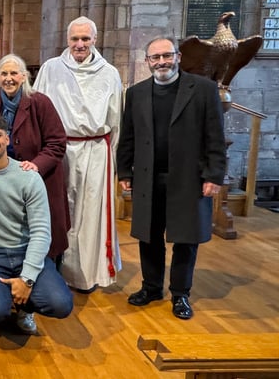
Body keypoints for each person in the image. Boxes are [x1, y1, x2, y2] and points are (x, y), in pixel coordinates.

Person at [117, 36, 226, 320]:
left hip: (189, 178)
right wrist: (124, 170)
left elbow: (215, 136)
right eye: (156, 57)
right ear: (147, 62)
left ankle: (180, 294)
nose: (162, 62)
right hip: (148, 177)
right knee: (149, 236)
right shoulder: (137, 93)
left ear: (177, 56)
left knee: (185, 239)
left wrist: (214, 174)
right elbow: (127, 136)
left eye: (167, 56)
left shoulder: (202, 89)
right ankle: (151, 287)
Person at [0, 113, 73, 336]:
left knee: (60, 304)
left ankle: (23, 306)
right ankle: (1, 297)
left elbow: (41, 232)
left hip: (25, 250)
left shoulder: (28, 177)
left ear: (7, 139)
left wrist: (27, 278)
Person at [33, 16, 123, 292]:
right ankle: (54, 271)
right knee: (59, 210)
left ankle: (85, 275)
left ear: (95, 40)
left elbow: (116, 119)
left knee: (90, 214)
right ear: (67, 40)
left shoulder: (109, 73)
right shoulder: (51, 69)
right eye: (75, 39)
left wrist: (113, 159)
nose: (80, 44)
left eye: (85, 39)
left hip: (96, 151)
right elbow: (37, 110)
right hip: (59, 150)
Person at [0, 54, 70, 265]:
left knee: (44, 233)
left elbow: (57, 142)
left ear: (23, 77)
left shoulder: (40, 102)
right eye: (4, 73)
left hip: (39, 178)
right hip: (3, 181)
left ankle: (49, 277)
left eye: (14, 73)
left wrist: (36, 164)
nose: (9, 78)